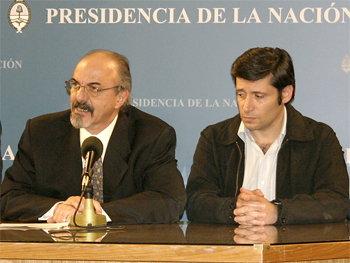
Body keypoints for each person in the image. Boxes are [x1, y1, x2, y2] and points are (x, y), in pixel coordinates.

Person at [0, 50, 186, 224]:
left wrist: (97, 214)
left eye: (94, 88)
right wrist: (58, 209)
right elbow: (8, 197)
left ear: (120, 98)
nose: (79, 97)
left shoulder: (151, 134)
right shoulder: (41, 132)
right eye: (75, 85)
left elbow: (169, 200)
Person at [186, 47, 349, 225]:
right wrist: (236, 209)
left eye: (259, 96)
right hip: (231, 250)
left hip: (293, 250)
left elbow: (336, 202)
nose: (247, 106)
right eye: (241, 94)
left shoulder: (319, 139)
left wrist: (277, 212)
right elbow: (195, 202)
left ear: (285, 94)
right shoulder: (215, 137)